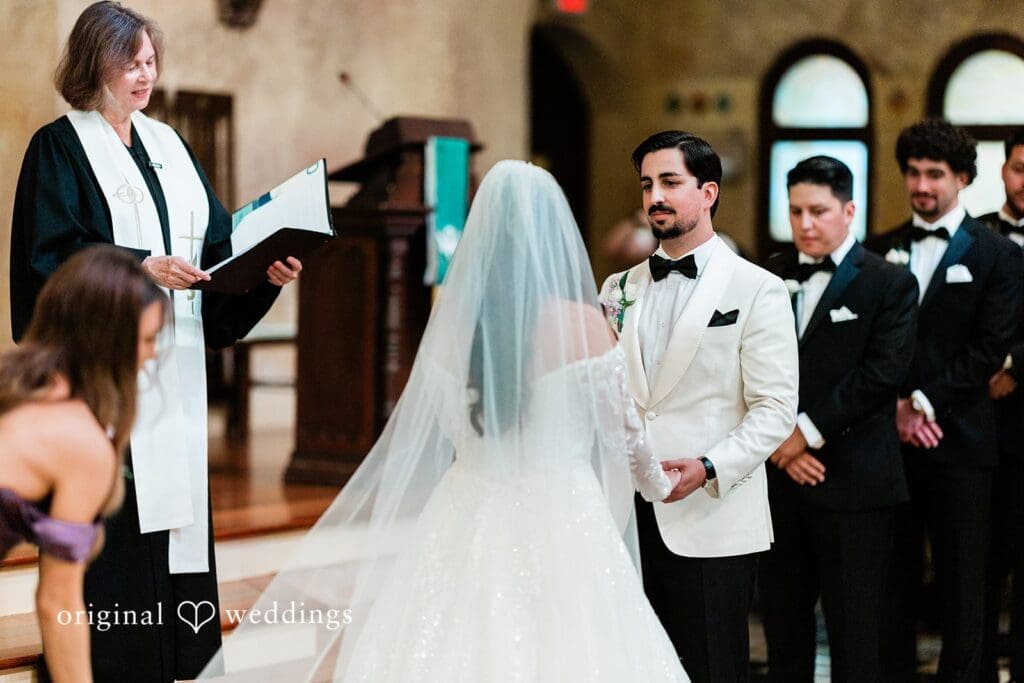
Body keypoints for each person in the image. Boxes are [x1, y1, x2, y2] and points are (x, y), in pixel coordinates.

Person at [197, 160, 690, 681]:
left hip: (468, 506)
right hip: (562, 512)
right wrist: (659, 483)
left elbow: (436, 423)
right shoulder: (583, 325)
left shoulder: (454, 322)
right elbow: (623, 434)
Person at [8, 3, 301, 680]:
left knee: (178, 562)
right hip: (105, 393)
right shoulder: (59, 148)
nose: (145, 74)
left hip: (176, 382)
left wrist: (267, 271)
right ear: (93, 65)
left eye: (150, 61)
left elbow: (220, 253)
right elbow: (41, 269)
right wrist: (137, 267)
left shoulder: (170, 146)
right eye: (130, 62)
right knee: (117, 566)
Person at [602, 130, 798, 682]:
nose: (655, 198)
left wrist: (710, 467)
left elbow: (775, 409)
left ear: (708, 191)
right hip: (628, 517)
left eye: (670, 182)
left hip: (712, 514)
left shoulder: (758, 289)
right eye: (647, 185)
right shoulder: (617, 289)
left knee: (713, 667)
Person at [865, 118, 1022, 681]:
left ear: (963, 178)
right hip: (890, 447)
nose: (922, 186)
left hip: (963, 444)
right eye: (913, 173)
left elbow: (989, 348)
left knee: (964, 590)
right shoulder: (880, 250)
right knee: (891, 587)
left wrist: (923, 403)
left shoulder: (998, 254)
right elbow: (871, 347)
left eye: (935, 174)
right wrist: (896, 409)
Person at [760, 156, 918, 682]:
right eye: (796, 210)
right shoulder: (770, 275)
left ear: (849, 210)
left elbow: (879, 376)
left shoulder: (889, 282)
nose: (805, 223)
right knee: (783, 628)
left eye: (819, 211)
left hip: (854, 483)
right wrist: (782, 447)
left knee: (857, 636)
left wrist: (802, 435)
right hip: (780, 483)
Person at [0, 246, 166, 682]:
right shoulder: (81, 440)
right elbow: (58, 603)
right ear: (107, 338)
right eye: (148, 339)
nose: (151, 356)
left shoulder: (18, 381)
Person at [977, 128, 1024, 683]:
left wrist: (1013, 367)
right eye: (1017, 168)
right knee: (979, 565)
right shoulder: (979, 237)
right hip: (977, 421)